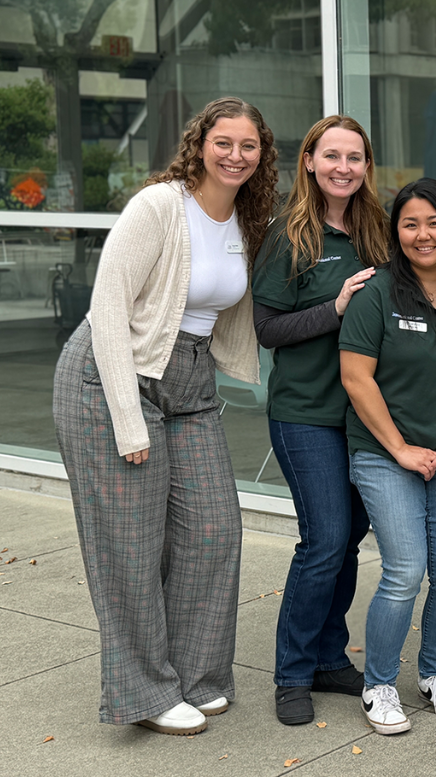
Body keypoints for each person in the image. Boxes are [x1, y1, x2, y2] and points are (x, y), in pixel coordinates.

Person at [52, 98, 277, 735]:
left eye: (249, 146)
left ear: (263, 155)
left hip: (190, 381)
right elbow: (110, 307)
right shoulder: (160, 205)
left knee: (213, 530)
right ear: (199, 143)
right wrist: (127, 419)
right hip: (110, 377)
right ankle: (145, 693)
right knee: (129, 546)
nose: (235, 155)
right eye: (223, 142)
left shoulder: (245, 218)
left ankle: (198, 675)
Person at [252, 115, 390, 725]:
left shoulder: (378, 234)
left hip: (366, 416)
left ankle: (330, 657)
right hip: (306, 413)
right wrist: (334, 308)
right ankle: (292, 673)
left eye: (354, 157)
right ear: (309, 161)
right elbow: (267, 329)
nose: (343, 167)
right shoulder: (290, 234)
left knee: (349, 540)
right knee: (326, 539)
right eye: (330, 155)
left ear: (366, 167)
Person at [339, 178, 436, 735]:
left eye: (434, 222)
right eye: (410, 224)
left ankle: (434, 674)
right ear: (395, 231)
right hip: (385, 453)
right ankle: (378, 684)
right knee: (405, 571)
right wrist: (400, 449)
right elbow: (356, 378)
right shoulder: (375, 292)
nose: (423, 235)